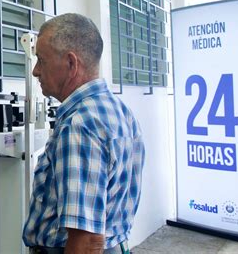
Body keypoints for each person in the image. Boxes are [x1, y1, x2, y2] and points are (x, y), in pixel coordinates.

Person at [22, 13, 145, 254]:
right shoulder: (119, 110)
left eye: (41, 61)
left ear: (71, 63)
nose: (36, 71)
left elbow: (87, 241)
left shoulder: (80, 126)